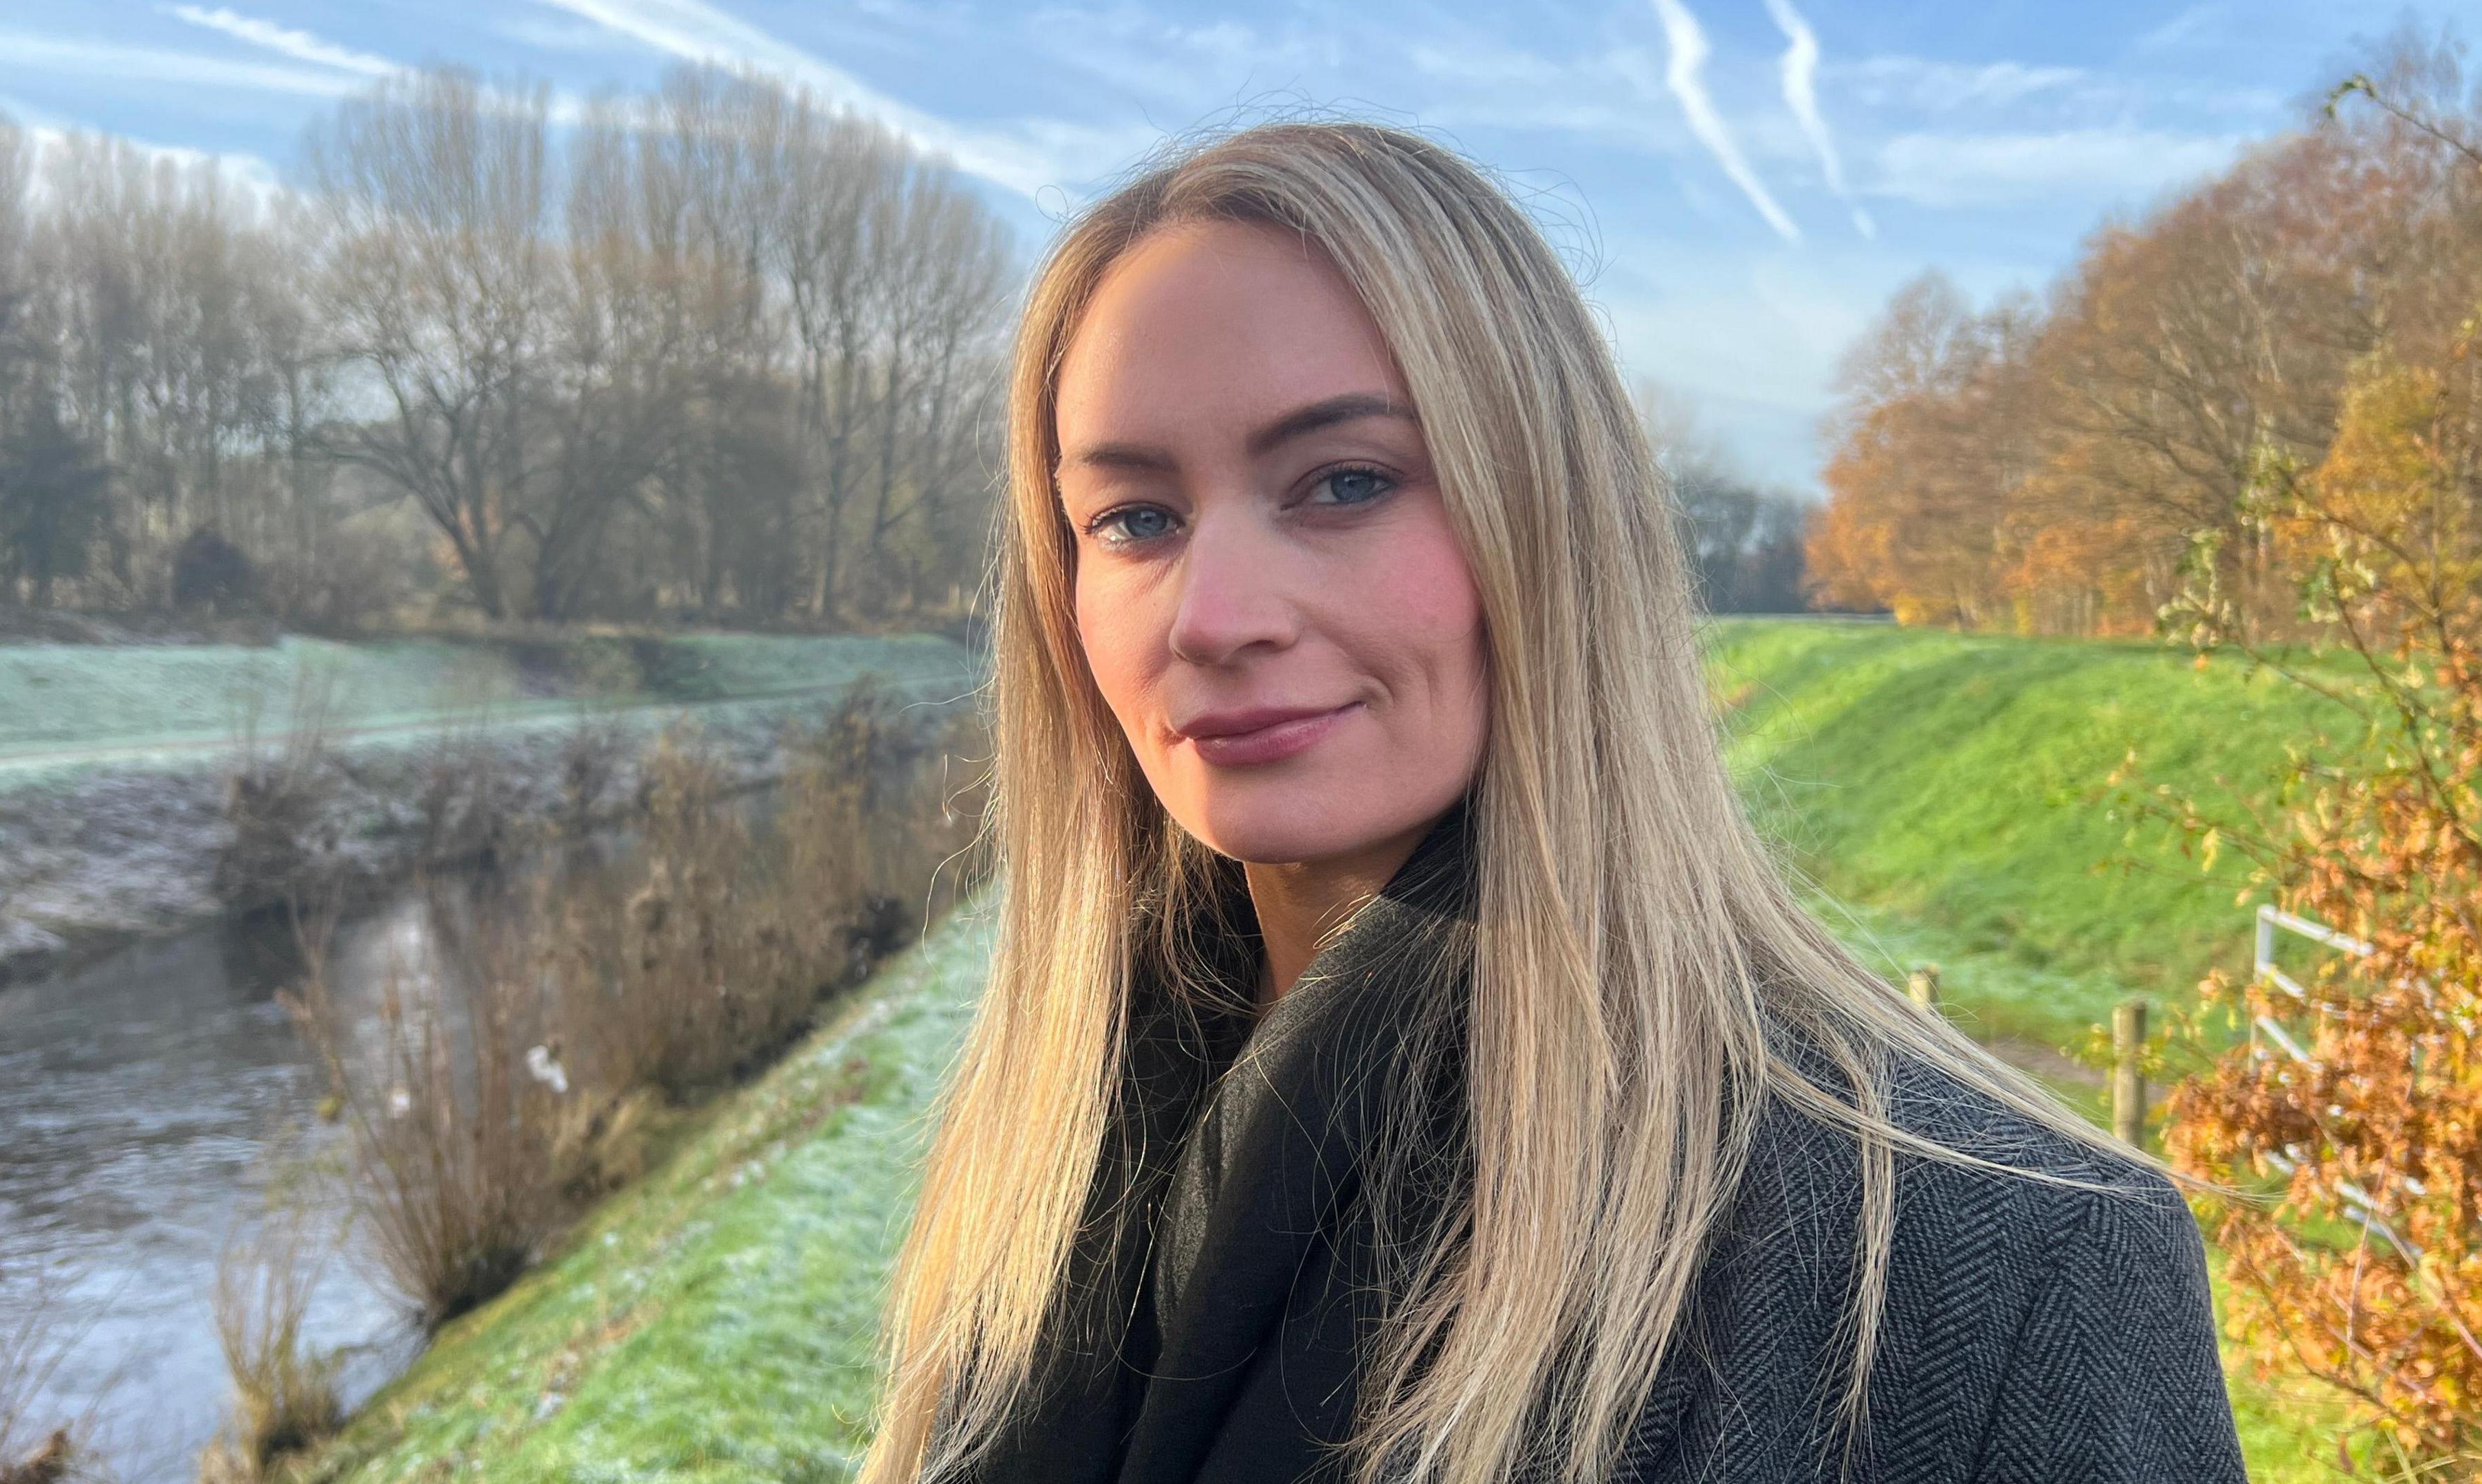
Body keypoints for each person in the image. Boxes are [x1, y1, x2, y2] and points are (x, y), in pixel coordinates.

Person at [859, 120, 2247, 1484]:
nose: (1211, 617)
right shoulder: (1035, 1179)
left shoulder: (1997, 1269)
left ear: (1552, 521)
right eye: (1136, 519)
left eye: (1345, 483)